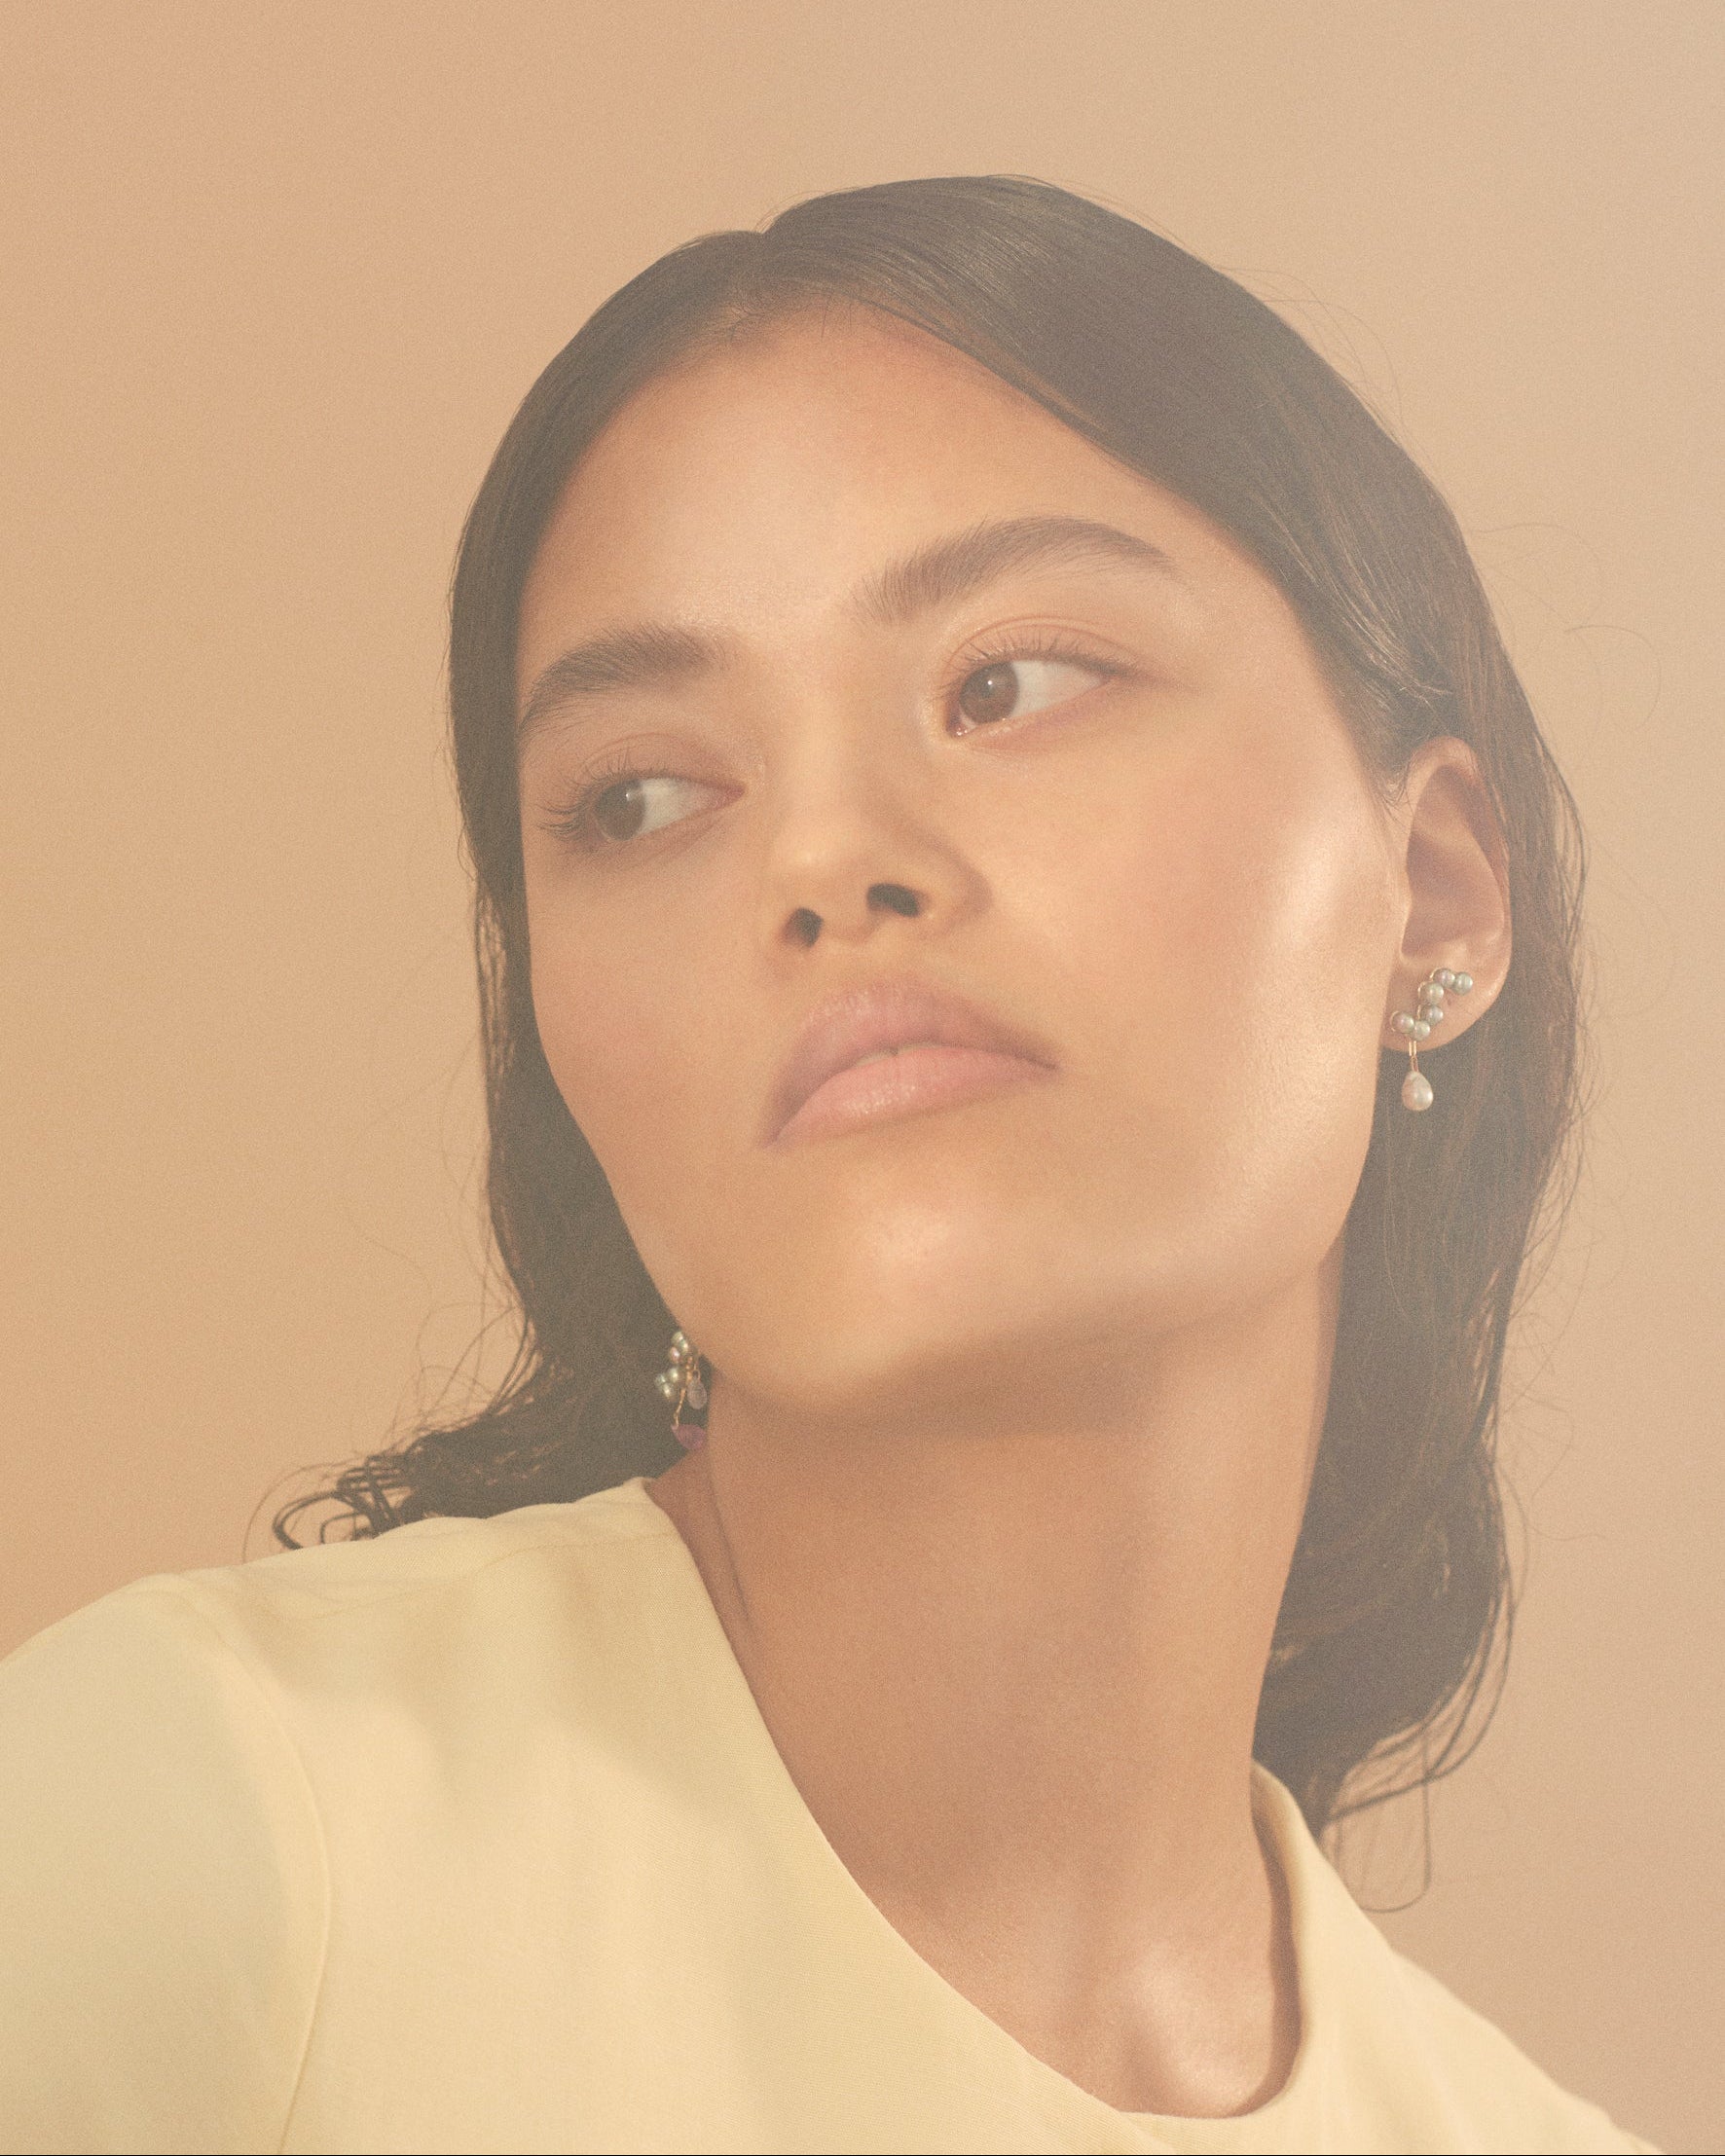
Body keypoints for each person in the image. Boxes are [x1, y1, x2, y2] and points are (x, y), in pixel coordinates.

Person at [0, 175, 1657, 2154]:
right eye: (641, 795)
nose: (819, 858)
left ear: (1432, 892)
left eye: (1007, 683)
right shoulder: (214, 1827)